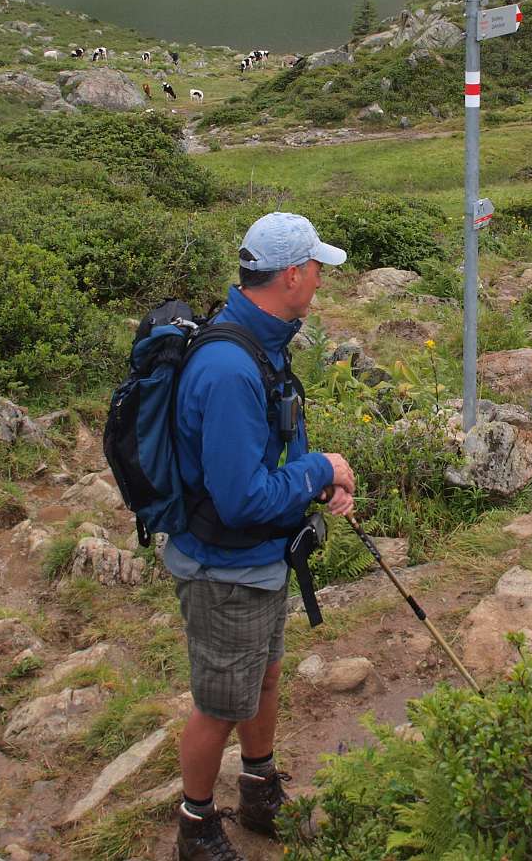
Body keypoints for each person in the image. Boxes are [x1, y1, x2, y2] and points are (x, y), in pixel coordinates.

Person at [168, 211, 357, 861]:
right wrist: (319, 470)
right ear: (292, 275)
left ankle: (258, 791)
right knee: (220, 704)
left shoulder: (262, 343)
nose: (322, 281)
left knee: (264, 678)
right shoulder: (229, 368)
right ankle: (196, 828)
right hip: (224, 570)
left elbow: (266, 457)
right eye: (317, 270)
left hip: (257, 559)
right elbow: (241, 498)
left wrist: (313, 484)